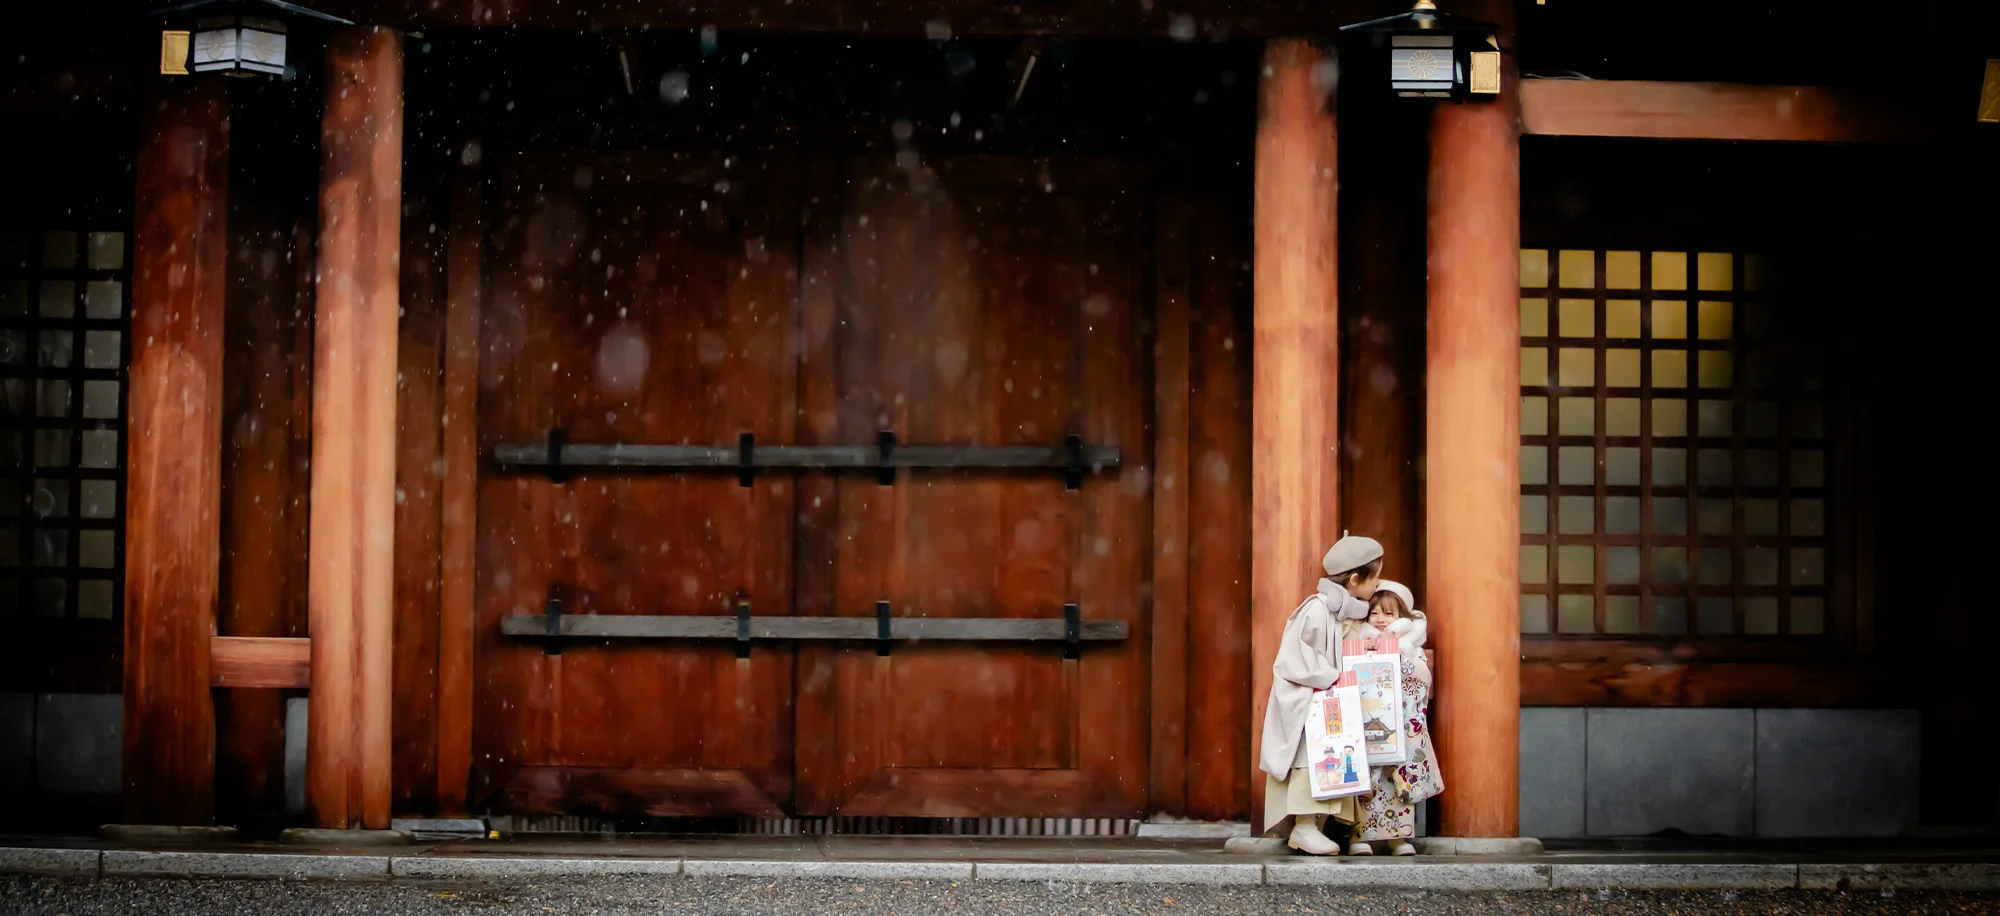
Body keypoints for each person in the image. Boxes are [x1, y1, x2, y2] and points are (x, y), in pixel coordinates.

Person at [1258, 534, 1383, 855]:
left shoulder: (1344, 612)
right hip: (1310, 702)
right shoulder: (1315, 610)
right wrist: (1332, 675)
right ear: (1355, 579)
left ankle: (1331, 827)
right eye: (1375, 577)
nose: (1377, 584)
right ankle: (1304, 825)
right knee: (1311, 759)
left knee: (1337, 760)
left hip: (1330, 700)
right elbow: (1293, 658)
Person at [1339, 581, 1444, 857]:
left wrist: (1399, 654)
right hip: (1365, 723)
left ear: (1402, 618)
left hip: (1398, 725)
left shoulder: (1410, 646)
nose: (1381, 620)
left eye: (1389, 613)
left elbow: (1421, 681)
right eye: (1375, 613)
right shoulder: (1355, 642)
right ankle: (1358, 836)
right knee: (1364, 779)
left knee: (1397, 781)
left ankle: (1398, 837)